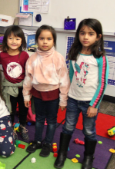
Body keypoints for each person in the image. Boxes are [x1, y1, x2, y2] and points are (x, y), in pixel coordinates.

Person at [54, 19, 109, 169]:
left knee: (89, 130)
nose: (86, 37)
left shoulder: (100, 57)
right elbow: (70, 77)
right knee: (68, 127)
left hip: (89, 102)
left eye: (90, 34)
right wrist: (64, 98)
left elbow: (102, 83)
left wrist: (94, 105)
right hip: (73, 98)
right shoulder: (74, 53)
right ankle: (62, 153)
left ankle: (88, 157)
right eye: (82, 33)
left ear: (98, 37)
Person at [23, 25, 70, 157]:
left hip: (53, 95)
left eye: (48, 39)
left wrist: (63, 100)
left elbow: (64, 80)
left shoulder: (58, 57)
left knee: (51, 120)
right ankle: (37, 141)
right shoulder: (32, 58)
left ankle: (48, 143)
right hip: (37, 94)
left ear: (53, 41)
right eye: (41, 38)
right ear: (36, 40)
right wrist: (26, 96)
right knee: (39, 119)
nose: (45, 41)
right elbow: (28, 79)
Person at [0, 25, 30, 141]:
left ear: (22, 40)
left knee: (23, 109)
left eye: (17, 38)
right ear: (5, 40)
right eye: (10, 38)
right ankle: (10, 128)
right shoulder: (2, 55)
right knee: (9, 108)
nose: (14, 41)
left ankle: (22, 126)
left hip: (22, 88)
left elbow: (29, 70)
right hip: (9, 88)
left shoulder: (25, 55)